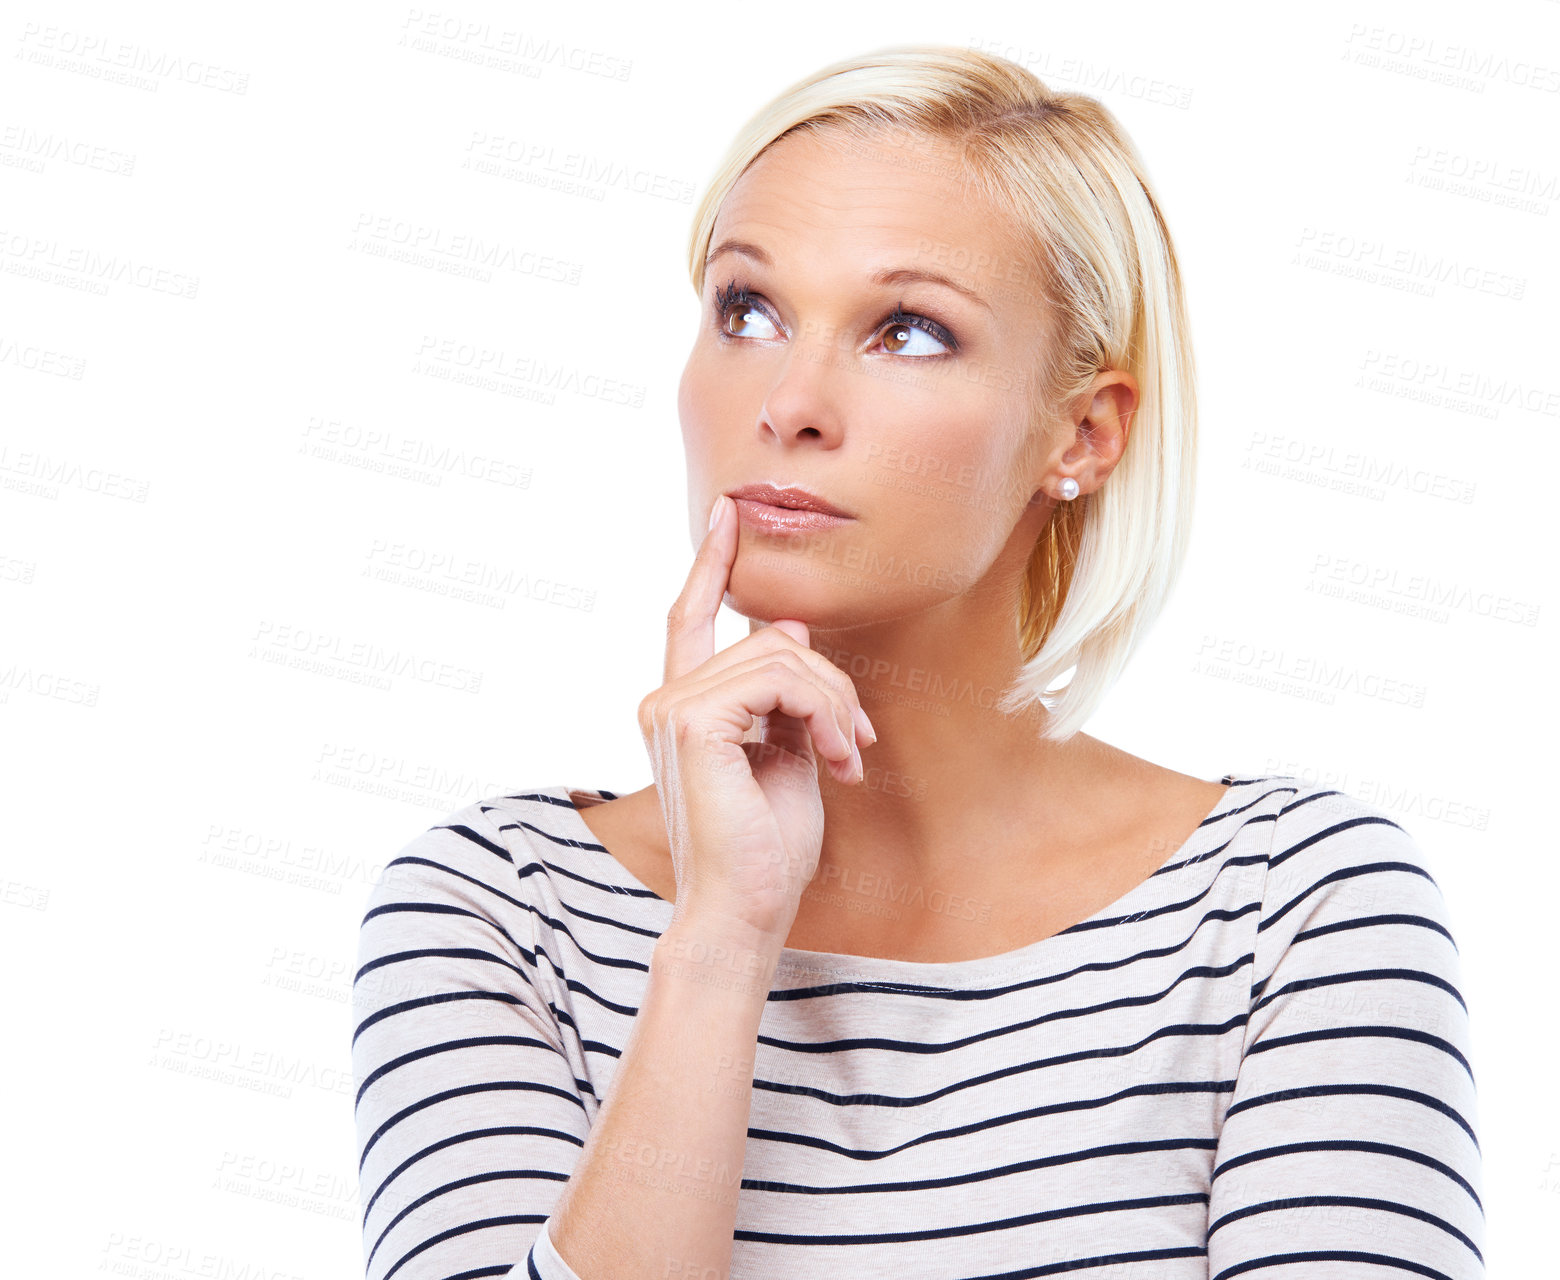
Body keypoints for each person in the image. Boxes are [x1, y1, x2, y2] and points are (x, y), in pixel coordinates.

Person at [351, 44, 1484, 1280]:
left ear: (1084, 434)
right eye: (748, 309)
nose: (790, 400)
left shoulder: (1289, 909)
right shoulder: (500, 911)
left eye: (908, 329)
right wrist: (722, 941)